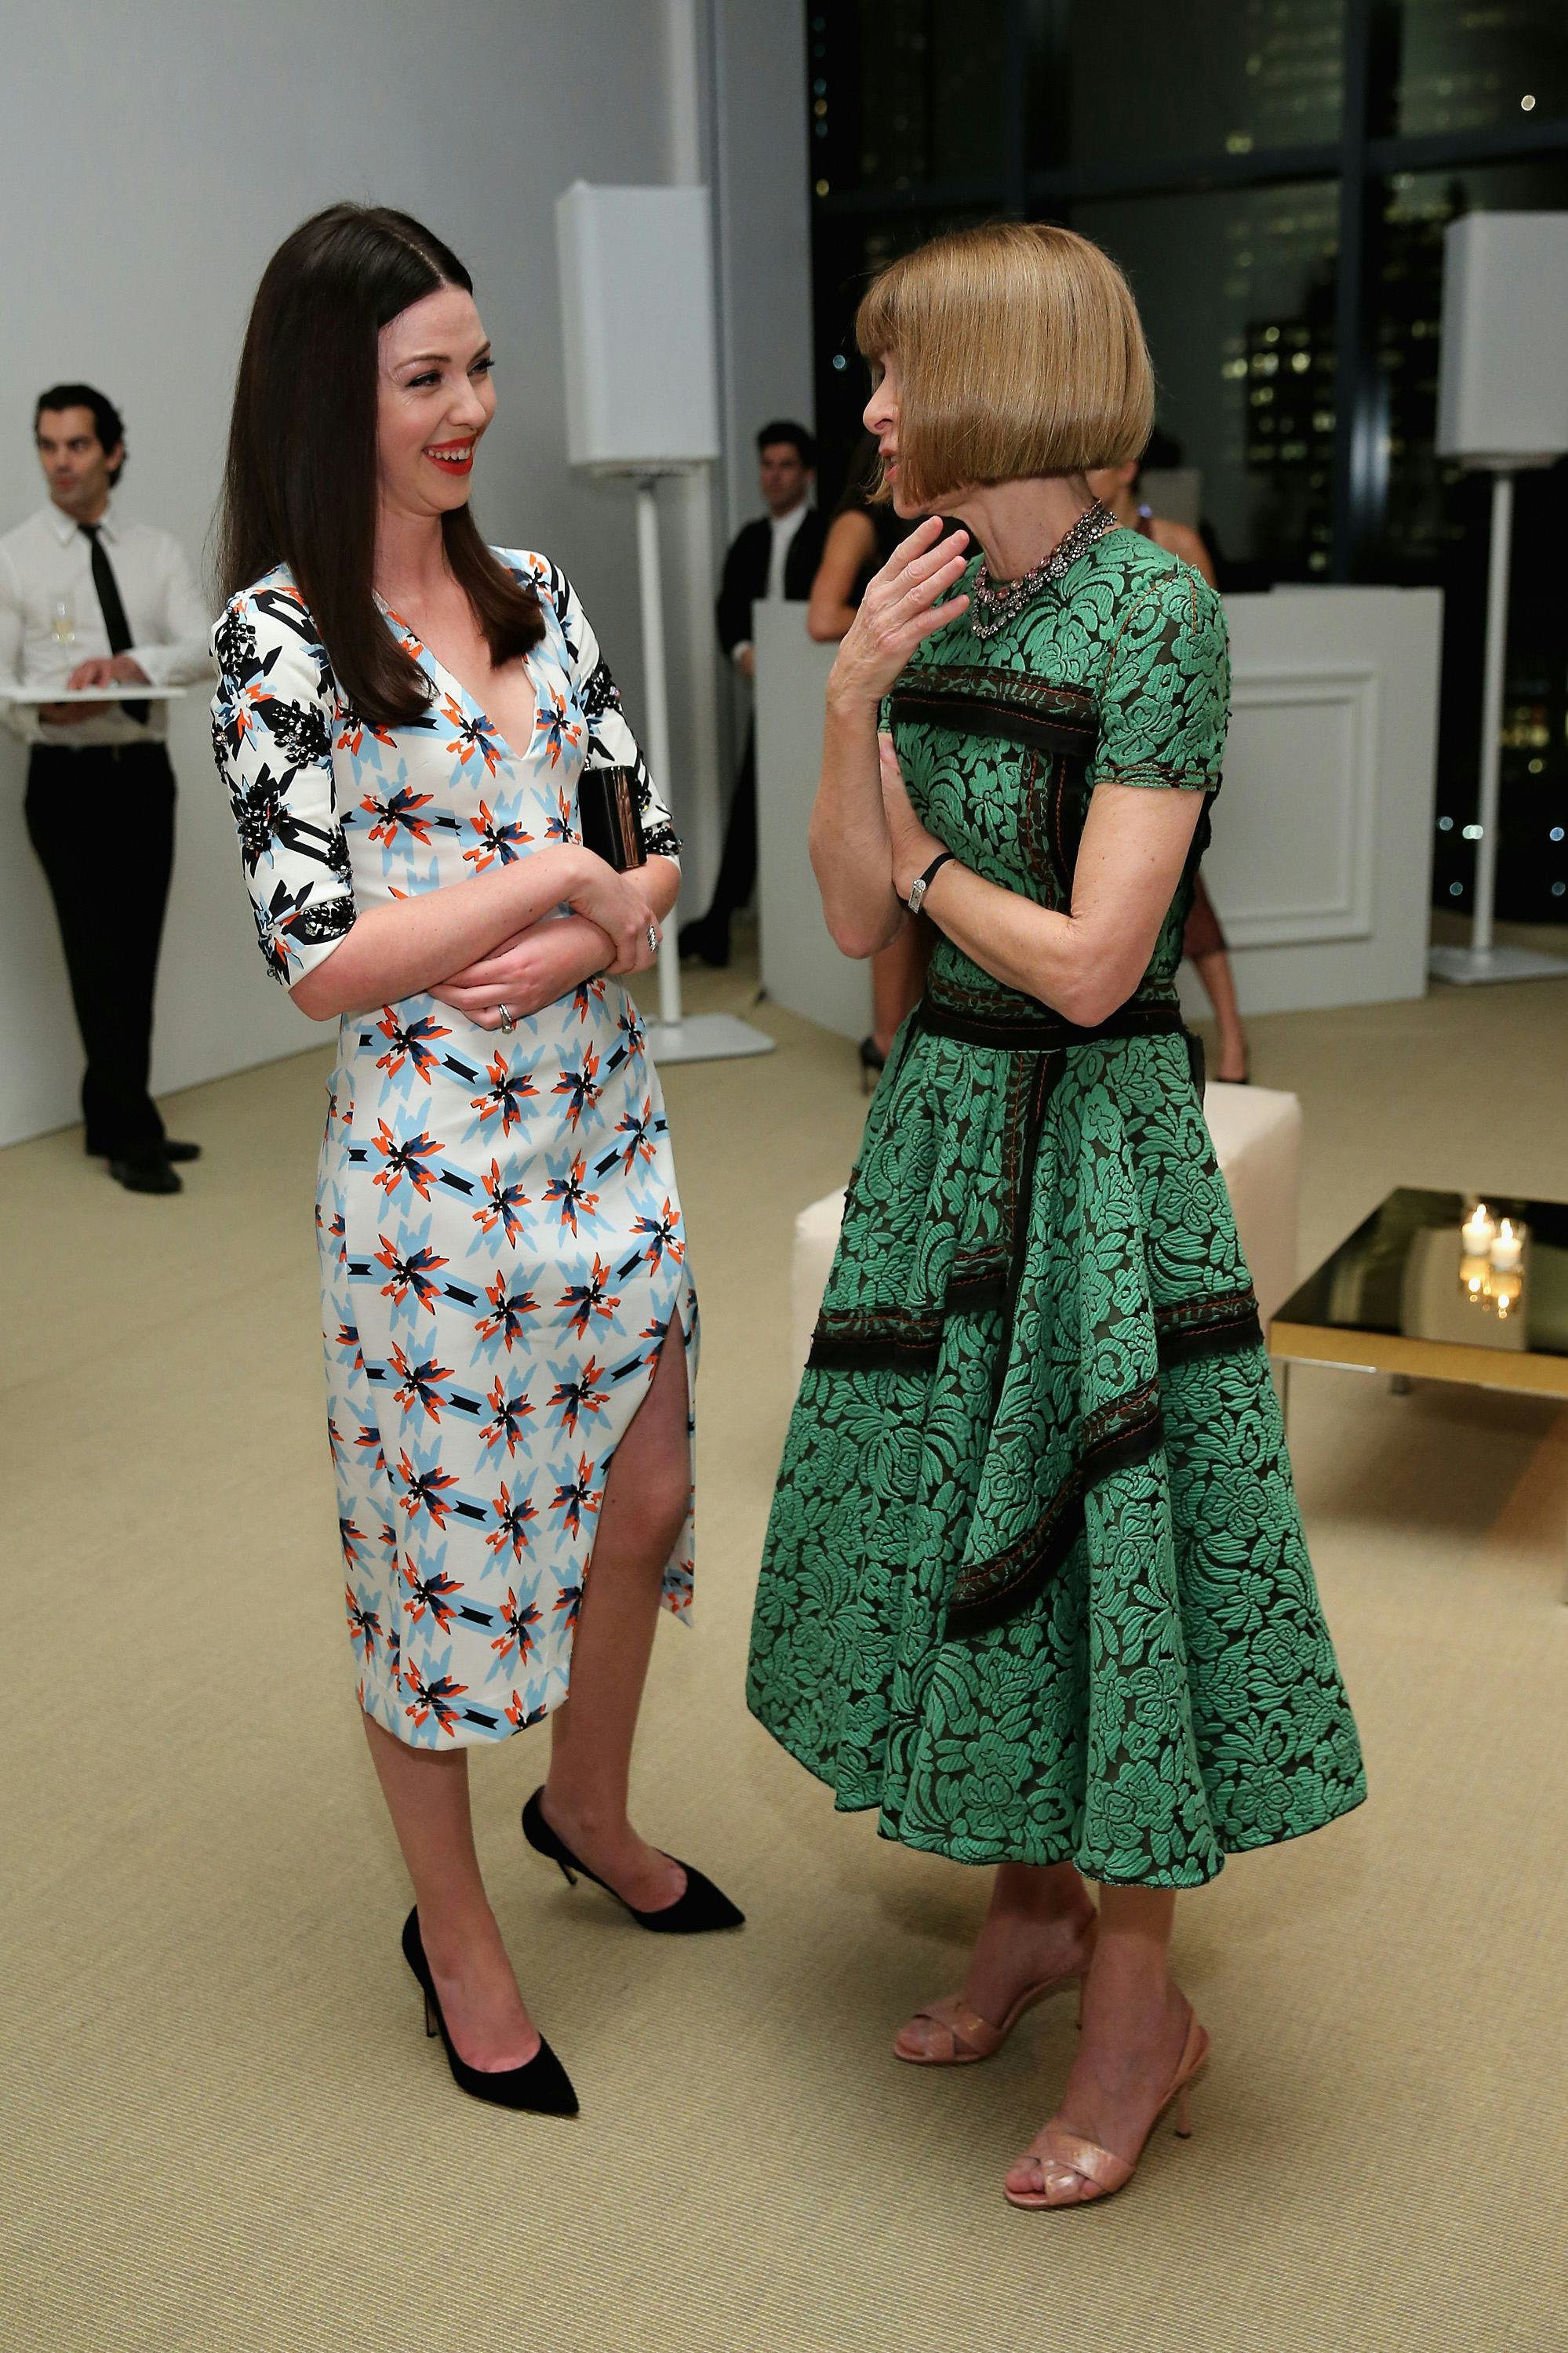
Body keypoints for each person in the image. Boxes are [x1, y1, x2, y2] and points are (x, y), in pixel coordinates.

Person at [747, 222, 1365, 2211]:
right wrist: (850, 706)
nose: (868, 407)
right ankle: (1021, 1918)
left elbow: (1102, 961)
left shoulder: (1148, 616)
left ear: (997, 376)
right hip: (949, 1119)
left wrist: (923, 865)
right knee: (960, 1515)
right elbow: (845, 913)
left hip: (1091, 1134)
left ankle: (1138, 2013)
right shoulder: (928, 592)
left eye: (893, 370)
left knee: (1104, 1553)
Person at [212, 204, 740, 2119]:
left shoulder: (540, 590)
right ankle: (451, 1937)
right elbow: (316, 955)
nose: (470, 408)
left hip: (605, 1125)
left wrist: (610, 919)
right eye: (424, 377)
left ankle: (583, 1801)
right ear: (327, 396)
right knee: (432, 1573)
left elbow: (652, 836)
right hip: (431, 1179)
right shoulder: (274, 642)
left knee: (651, 1491)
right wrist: (546, 883)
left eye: (478, 366)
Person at [0, 384, 212, 1191]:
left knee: (136, 952)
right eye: (47, 445)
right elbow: (4, 682)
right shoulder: (17, 556)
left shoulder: (154, 552)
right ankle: (133, 1137)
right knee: (96, 959)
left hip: (141, 778)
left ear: (112, 453)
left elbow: (202, 648)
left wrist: (132, 666)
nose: (60, 462)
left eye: (76, 446)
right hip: (64, 780)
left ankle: (113, 1116)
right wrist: (39, 715)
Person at [1089, 453, 1250, 1082]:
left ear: (1128, 468)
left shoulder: (1177, 541)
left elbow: (1207, 646)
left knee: (1186, 891)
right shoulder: (1082, 545)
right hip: (1102, 745)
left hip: (1169, 747)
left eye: (1097, 463)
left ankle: (1233, 1040)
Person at [678, 420, 825, 968]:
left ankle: (753, 925)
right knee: (751, 801)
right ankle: (720, 919)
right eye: (767, 464)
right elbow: (728, 610)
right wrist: (743, 652)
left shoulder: (827, 536)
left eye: (786, 465)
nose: (774, 476)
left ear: (806, 475)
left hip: (815, 696)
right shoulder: (749, 540)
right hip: (770, 694)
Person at [806, 433, 929, 1084]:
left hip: (934, 697)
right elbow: (822, 615)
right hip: (891, 703)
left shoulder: (948, 521)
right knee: (894, 883)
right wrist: (908, 616)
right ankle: (884, 1039)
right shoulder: (858, 522)